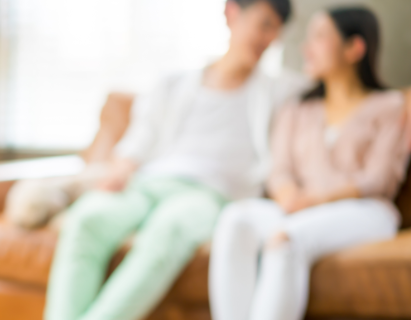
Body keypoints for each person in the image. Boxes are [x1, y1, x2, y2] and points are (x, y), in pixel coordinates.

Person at [44, 0, 308, 319]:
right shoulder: (173, 83)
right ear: (231, 13)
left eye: (276, 31)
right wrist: (120, 169)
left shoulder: (282, 91)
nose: (269, 38)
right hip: (149, 184)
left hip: (210, 196)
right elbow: (140, 140)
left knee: (168, 231)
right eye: (264, 24)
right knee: (87, 219)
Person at [209, 7, 408, 320]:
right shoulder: (297, 108)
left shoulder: (391, 106)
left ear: (354, 48)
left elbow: (378, 178)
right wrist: (289, 196)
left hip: (366, 209)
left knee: (285, 238)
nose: (306, 47)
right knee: (236, 219)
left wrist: (317, 199)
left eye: (319, 37)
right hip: (300, 207)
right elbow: (280, 170)